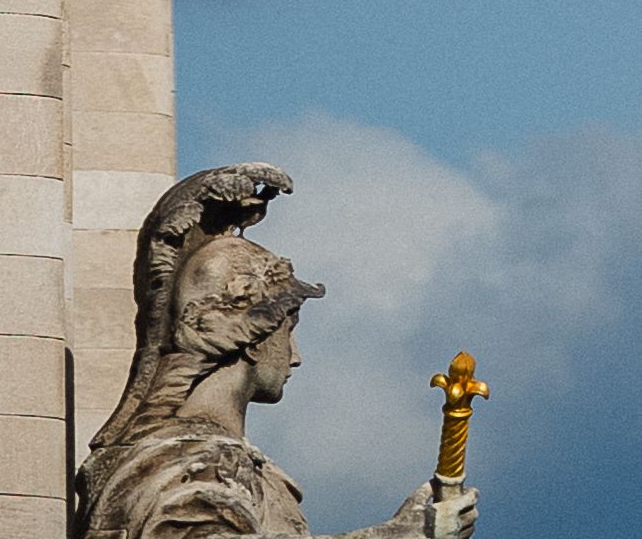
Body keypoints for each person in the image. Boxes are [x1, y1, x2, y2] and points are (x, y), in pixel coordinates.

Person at [74, 170, 479, 539]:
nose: (295, 357)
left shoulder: (182, 459)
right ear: (252, 336)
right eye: (289, 332)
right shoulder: (203, 466)